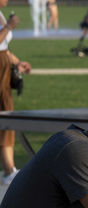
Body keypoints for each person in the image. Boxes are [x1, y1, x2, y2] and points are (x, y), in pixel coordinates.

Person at [0, 0, 31, 185]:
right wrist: (9, 26)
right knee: (5, 115)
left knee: (6, 114)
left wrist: (17, 62)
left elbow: (4, 48)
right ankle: (8, 168)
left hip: (3, 65)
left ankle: (9, 167)